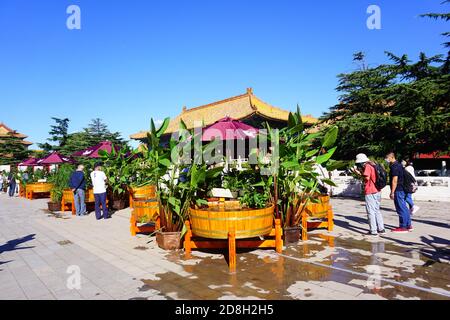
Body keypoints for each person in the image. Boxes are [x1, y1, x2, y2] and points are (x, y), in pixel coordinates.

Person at [355, 153, 385, 236]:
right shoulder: (373, 164)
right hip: (378, 190)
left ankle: (373, 231)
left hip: (370, 191)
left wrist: (358, 173)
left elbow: (366, 178)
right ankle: (381, 228)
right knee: (377, 210)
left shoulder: (367, 166)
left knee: (370, 211)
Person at [386, 152, 411, 233]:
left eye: (387, 158)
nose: (386, 160)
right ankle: (408, 225)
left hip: (398, 189)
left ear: (391, 157)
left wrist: (392, 192)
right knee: (404, 207)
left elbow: (394, 180)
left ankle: (403, 227)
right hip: (403, 188)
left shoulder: (394, 166)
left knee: (400, 208)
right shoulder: (399, 165)